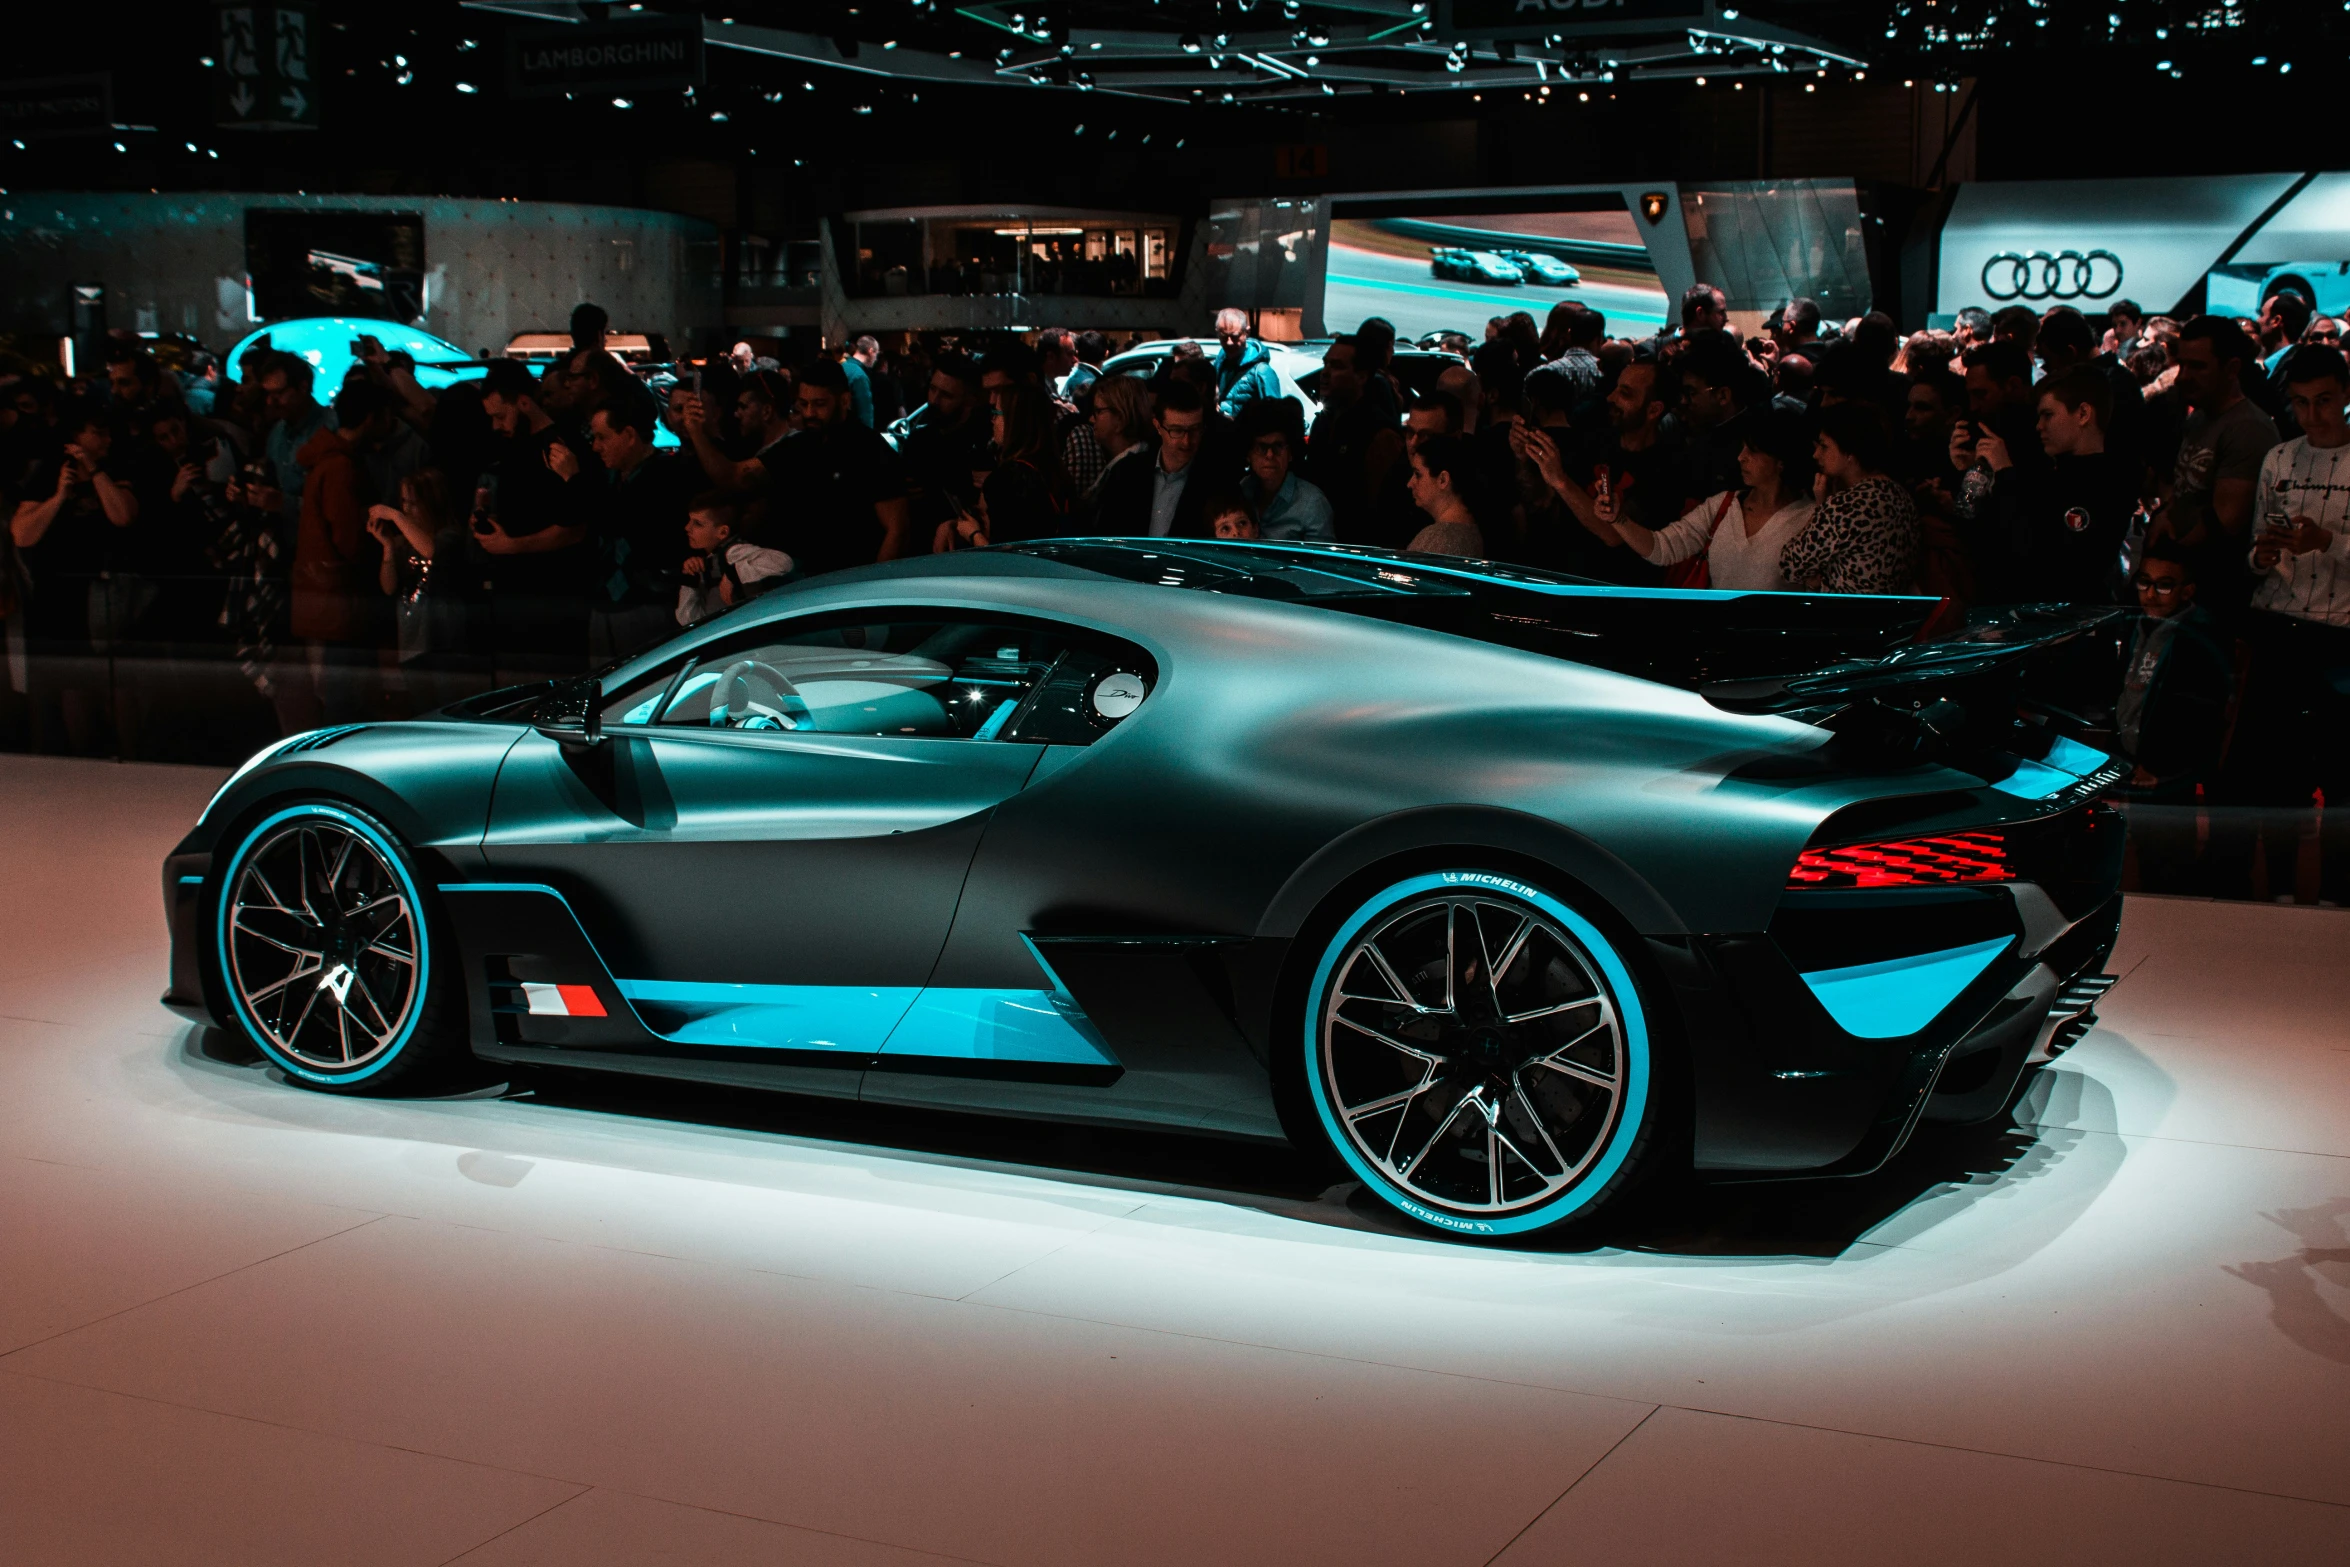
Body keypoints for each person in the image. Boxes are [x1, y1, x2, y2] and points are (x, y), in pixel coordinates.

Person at [279, 379, 404, 730]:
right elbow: (351, 542)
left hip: (328, 603)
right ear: (371, 417)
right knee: (346, 703)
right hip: (343, 607)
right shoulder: (341, 468)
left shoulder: (330, 460)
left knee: (341, 697)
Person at [1598, 406, 1816, 591]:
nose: (1741, 458)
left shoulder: (1810, 518)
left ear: (1781, 460)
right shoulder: (1724, 505)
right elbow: (1663, 548)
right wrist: (1618, 519)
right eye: (1743, 448)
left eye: (1753, 451)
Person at [1975, 365, 2140, 605]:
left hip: (2066, 626)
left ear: (2083, 413)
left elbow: (2047, 560)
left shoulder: (2106, 485)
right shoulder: (2046, 475)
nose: (2039, 426)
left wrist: (2005, 474)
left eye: (2048, 415)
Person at [553, 394, 699, 661]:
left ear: (630, 435)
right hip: (603, 603)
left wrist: (574, 481)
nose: (596, 447)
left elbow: (621, 521)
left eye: (603, 437)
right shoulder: (605, 476)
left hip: (647, 605)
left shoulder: (668, 475)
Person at [476, 360, 593, 674]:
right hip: (518, 596)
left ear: (524, 402)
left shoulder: (560, 448)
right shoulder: (515, 448)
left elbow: (573, 529)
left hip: (551, 599)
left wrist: (511, 545)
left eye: (501, 415)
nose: (496, 426)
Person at [2155, 316, 2279, 602]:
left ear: (2232, 368)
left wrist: (2166, 540)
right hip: (2186, 587)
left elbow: (2224, 524)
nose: (2184, 376)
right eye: (2182, 364)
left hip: (2219, 592)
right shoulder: (2199, 417)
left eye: (2198, 367)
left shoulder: (2249, 428)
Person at [760, 360, 913, 574]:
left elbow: (898, 530)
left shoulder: (869, 449)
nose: (810, 412)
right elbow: (739, 477)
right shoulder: (799, 445)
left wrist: (872, 586)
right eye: (803, 404)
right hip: (806, 578)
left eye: (819, 404)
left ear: (844, 400)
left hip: (853, 578)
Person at [2115, 545, 2233, 804]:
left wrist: (2159, 765)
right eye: (2144, 583)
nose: (2151, 594)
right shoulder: (2138, 623)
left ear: (2187, 591)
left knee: (2164, 838)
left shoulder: (2197, 638)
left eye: (2164, 585)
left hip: (2166, 769)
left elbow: (2193, 711)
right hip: (2129, 756)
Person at [1782, 401, 1920, 594]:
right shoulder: (1900, 495)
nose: (1816, 454)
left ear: (1850, 452)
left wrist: (1822, 505)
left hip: (1848, 616)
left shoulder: (1846, 506)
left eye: (1824, 446)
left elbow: (1790, 565)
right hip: (1891, 616)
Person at [366, 468, 469, 713]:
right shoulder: (406, 543)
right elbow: (389, 586)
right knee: (425, 713)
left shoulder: (449, 537)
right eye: (403, 502)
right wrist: (388, 548)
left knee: (450, 712)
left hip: (444, 643)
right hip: (412, 644)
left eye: (414, 503)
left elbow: (431, 550)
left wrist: (394, 515)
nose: (407, 510)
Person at [1305, 334, 1400, 542]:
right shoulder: (1323, 422)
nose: (1325, 373)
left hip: (1355, 550)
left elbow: (1382, 513)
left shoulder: (1378, 432)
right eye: (1326, 363)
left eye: (1337, 366)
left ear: (1361, 376)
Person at [1094, 378, 1213, 538]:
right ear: (1157, 426)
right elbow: (1107, 533)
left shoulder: (1213, 480)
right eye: (1176, 431)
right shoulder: (1127, 472)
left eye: (1194, 430)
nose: (1187, 441)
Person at [677, 493, 792, 626]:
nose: (687, 528)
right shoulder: (708, 562)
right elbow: (689, 620)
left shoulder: (733, 552)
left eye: (697, 524)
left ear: (723, 532)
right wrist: (690, 581)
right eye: (690, 521)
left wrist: (734, 574)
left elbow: (784, 563)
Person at [1237, 401, 1335, 543]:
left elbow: (1323, 563)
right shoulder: (1243, 490)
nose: (1269, 455)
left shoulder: (1312, 503)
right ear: (1248, 453)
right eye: (1261, 447)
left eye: (1278, 446)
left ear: (1290, 453)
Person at [1076, 373, 1151, 511]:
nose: (1092, 419)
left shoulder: (1127, 476)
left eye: (1098, 411)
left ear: (1121, 419)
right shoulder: (1121, 466)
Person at [1403, 434, 1485, 557]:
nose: (1410, 484)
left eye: (1418, 474)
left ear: (1443, 480)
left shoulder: (1435, 540)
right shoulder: (1474, 533)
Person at [1212, 307, 1283, 423]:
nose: (1229, 342)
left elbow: (1275, 417)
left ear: (1247, 332)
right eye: (1224, 337)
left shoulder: (1262, 371)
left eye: (1235, 336)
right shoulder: (1217, 366)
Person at [843, 336, 881, 428]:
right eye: (876, 354)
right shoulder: (859, 376)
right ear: (871, 351)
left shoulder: (842, 367)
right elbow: (865, 414)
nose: (876, 359)